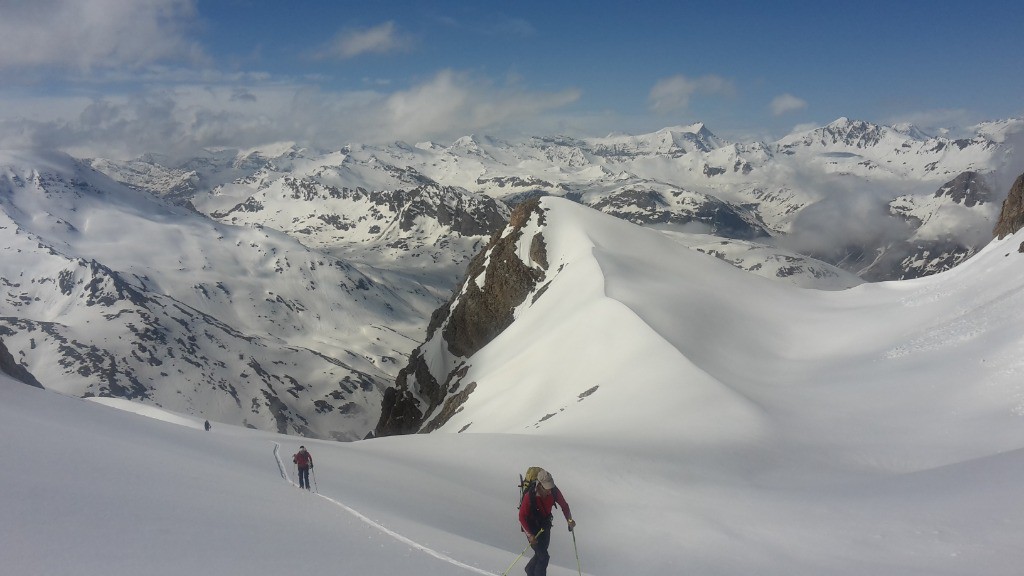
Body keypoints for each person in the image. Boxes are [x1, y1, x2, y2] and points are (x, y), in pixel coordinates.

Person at [518, 469, 575, 576]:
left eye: (550, 487)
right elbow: (521, 516)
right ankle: (531, 572)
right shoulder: (529, 496)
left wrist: (569, 520)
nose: (549, 491)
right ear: (539, 485)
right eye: (547, 488)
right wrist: (530, 535)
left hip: (545, 525)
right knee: (544, 556)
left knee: (541, 553)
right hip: (531, 526)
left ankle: (529, 569)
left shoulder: (554, 491)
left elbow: (564, 505)